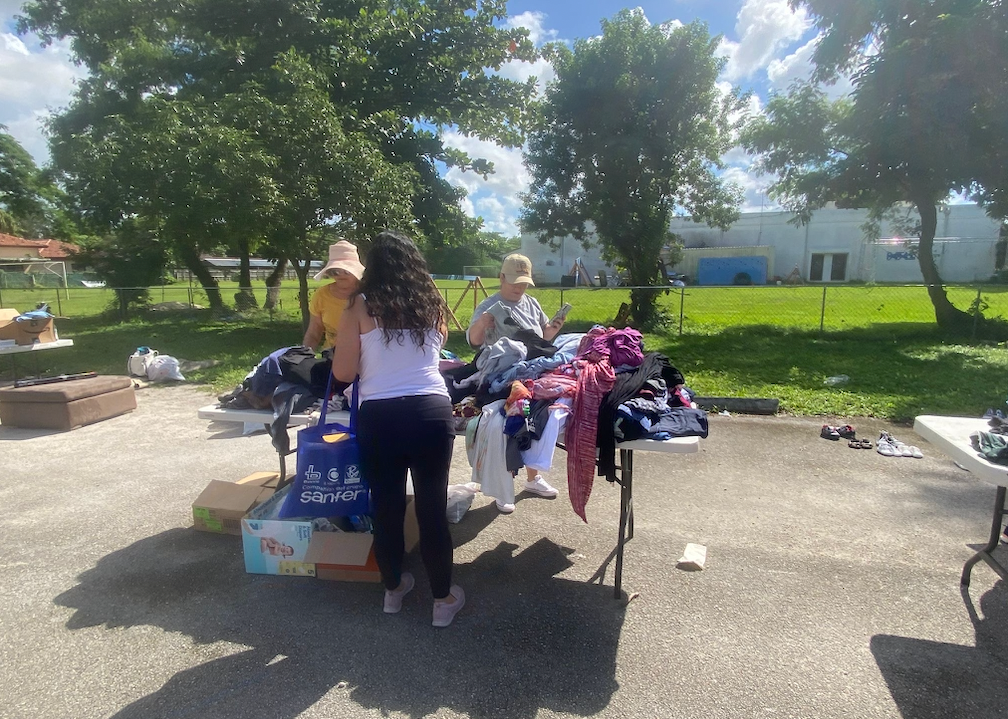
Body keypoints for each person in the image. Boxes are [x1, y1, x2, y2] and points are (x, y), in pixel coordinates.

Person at [332, 230, 464, 628]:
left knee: (386, 507)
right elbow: (433, 352)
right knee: (431, 508)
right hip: (431, 412)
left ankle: (393, 590)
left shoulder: (359, 305)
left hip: (381, 418)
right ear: (415, 265)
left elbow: (342, 373)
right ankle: (442, 599)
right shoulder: (432, 304)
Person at [467, 252, 566, 513]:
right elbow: (474, 341)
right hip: (500, 377)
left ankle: (533, 479)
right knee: (506, 425)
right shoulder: (489, 304)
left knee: (535, 421)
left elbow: (543, 338)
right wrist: (483, 323)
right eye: (514, 282)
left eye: (523, 283)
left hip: (532, 371)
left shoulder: (531, 303)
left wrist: (553, 329)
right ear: (501, 277)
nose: (519, 288)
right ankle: (504, 486)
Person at [302, 240, 365, 351]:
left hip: (365, 357)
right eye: (335, 271)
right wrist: (303, 356)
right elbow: (314, 332)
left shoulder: (369, 294)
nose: (341, 275)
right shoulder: (321, 295)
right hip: (331, 356)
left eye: (346, 271)